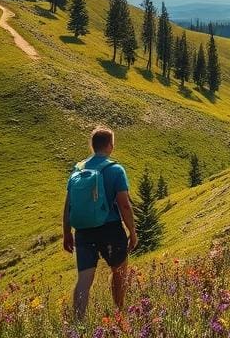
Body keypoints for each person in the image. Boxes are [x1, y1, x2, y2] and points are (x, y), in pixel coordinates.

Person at [62, 126, 137, 320]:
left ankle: (77, 324)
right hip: (110, 229)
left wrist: (67, 233)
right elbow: (125, 206)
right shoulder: (115, 170)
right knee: (119, 272)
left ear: (92, 146)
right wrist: (133, 231)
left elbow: (68, 205)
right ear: (110, 145)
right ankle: (120, 315)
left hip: (83, 232)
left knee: (84, 280)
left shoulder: (78, 170)